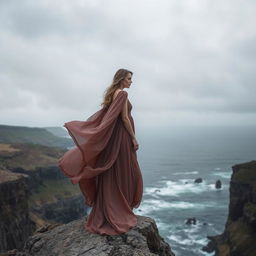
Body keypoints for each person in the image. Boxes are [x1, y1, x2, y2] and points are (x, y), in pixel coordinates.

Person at [58, 68, 143, 235]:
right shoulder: (122, 94)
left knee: (113, 171)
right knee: (124, 171)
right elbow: (125, 118)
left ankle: (110, 208)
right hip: (121, 138)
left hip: (114, 138)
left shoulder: (113, 93)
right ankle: (119, 210)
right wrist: (133, 138)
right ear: (121, 79)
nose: (131, 81)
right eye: (129, 78)